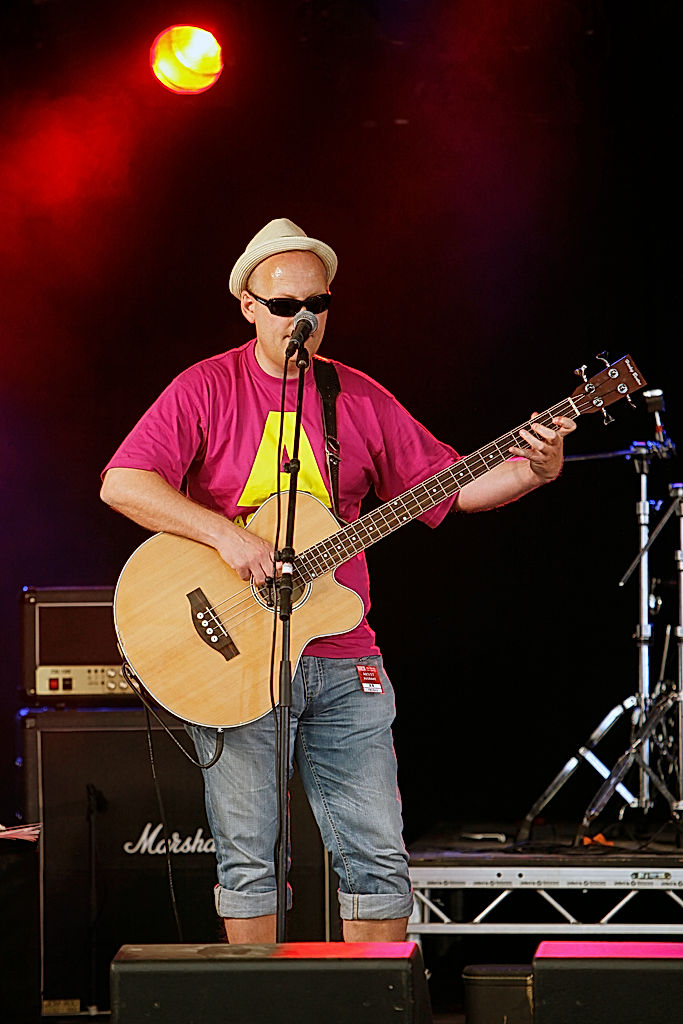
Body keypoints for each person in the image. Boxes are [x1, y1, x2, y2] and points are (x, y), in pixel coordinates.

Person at [101, 217, 575, 944]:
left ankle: (373, 997)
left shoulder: (356, 396)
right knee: (250, 861)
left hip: (344, 657)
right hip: (238, 657)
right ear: (248, 306)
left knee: (378, 857)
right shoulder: (205, 387)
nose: (304, 319)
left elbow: (454, 488)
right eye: (285, 305)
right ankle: (256, 999)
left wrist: (535, 472)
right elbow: (124, 482)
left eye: (316, 304)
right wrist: (228, 535)